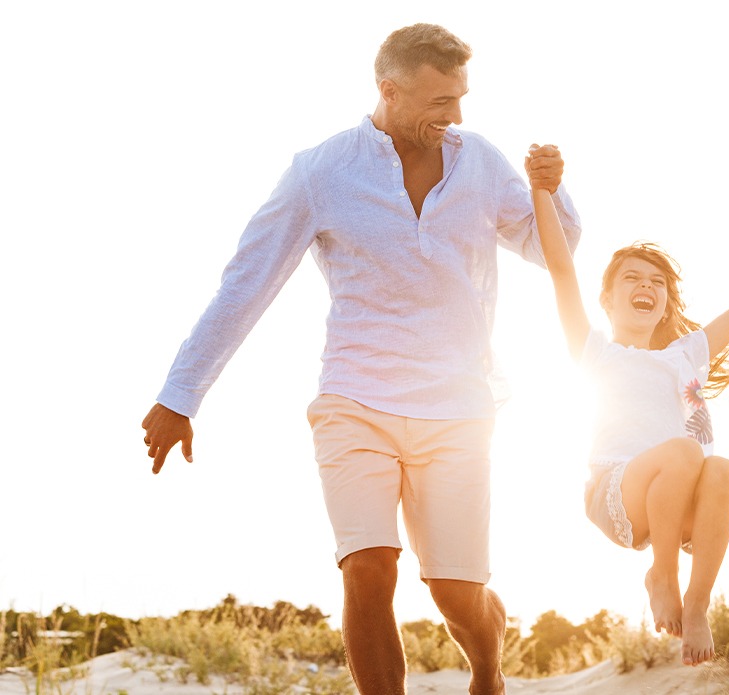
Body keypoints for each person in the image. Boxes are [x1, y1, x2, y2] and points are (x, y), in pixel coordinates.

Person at [138, 24, 580, 695]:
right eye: (440, 100)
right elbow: (245, 283)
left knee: (458, 592)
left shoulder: (481, 162)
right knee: (367, 568)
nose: (455, 114)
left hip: (459, 408)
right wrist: (180, 393)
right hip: (354, 399)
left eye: (461, 97)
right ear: (388, 90)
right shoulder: (321, 171)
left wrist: (550, 191)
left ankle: (488, 665)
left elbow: (555, 250)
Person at [527, 148, 729, 665]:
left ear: (667, 300)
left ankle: (697, 601)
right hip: (616, 489)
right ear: (607, 299)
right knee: (685, 450)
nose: (646, 286)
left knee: (722, 467)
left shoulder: (686, 354)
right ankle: (662, 575)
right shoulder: (595, 350)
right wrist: (542, 191)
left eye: (657, 282)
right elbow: (559, 269)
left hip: (677, 500)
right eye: (632, 278)